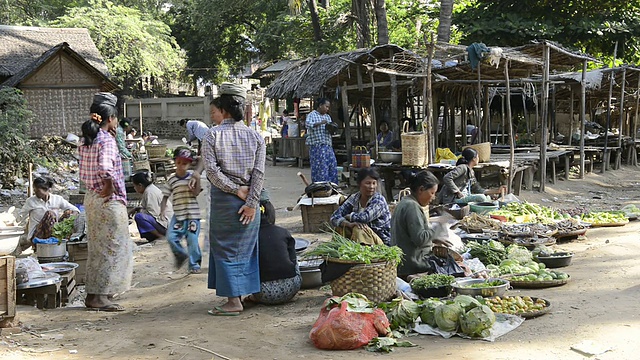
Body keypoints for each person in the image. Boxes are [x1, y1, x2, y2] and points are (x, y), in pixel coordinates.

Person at [193, 82, 265, 316]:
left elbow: (212, 173)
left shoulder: (211, 136)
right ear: (243, 110)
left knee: (224, 249)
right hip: (249, 202)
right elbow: (259, 174)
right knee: (245, 248)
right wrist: (252, 202)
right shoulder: (256, 136)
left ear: (223, 110)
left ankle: (233, 301)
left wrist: (235, 191)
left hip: (226, 201)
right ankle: (242, 294)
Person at [78, 92, 133, 312]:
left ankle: (95, 294)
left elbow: (85, 171)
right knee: (113, 248)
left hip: (91, 198)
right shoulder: (106, 140)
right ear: (110, 118)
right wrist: (109, 187)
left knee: (97, 248)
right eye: (116, 118)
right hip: (107, 201)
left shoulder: (85, 139)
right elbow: (106, 169)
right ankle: (100, 297)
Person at [390, 170, 449, 278]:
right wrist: (437, 227)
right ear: (421, 189)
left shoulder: (405, 202)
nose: (433, 197)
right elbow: (420, 239)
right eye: (432, 193)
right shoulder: (412, 207)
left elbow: (410, 234)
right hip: (412, 264)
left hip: (403, 262)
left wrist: (433, 238)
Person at [245, 195, 301, 305]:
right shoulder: (283, 232)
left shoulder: (249, 238)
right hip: (292, 288)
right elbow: (293, 261)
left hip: (263, 293)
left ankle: (253, 298)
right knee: (292, 257)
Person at [160, 147, 202, 274]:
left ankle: (194, 264)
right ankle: (181, 255)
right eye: (179, 162)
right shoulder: (172, 179)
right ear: (175, 162)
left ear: (189, 164)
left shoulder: (192, 178)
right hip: (178, 215)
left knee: (192, 240)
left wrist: (198, 178)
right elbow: (165, 196)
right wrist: (162, 211)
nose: (181, 166)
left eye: (184, 163)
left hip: (192, 215)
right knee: (171, 237)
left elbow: (196, 193)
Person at [15, 176, 80, 253]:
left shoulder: (57, 199)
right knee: (50, 214)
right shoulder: (31, 201)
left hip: (55, 233)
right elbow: (20, 216)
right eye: (35, 190)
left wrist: (69, 216)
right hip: (38, 236)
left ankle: (61, 244)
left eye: (38, 191)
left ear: (48, 190)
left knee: (69, 215)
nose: (35, 192)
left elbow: (76, 210)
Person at [329, 168, 391, 245]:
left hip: (381, 241)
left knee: (359, 229)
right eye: (368, 183)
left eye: (374, 183)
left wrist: (349, 216)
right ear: (359, 183)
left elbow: (364, 218)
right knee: (341, 226)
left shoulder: (379, 200)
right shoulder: (354, 198)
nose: (371, 187)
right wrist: (348, 224)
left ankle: (366, 254)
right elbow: (334, 217)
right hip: (361, 238)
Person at [438, 148, 506, 204]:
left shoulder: (471, 172)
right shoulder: (462, 167)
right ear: (474, 158)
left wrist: (497, 191)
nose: (478, 158)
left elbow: (478, 189)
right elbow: (447, 178)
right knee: (481, 198)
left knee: (488, 197)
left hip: (465, 197)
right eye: (478, 156)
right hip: (454, 199)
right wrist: (457, 192)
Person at [129, 171, 172, 243]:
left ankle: (161, 236)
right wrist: (136, 209)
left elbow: (153, 213)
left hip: (166, 224)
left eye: (134, 186)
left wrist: (139, 211)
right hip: (167, 223)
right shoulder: (150, 189)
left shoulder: (150, 192)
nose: (134, 188)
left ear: (140, 185)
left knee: (139, 217)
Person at [305, 98, 338, 184]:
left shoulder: (327, 117)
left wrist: (332, 128)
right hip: (317, 146)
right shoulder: (311, 115)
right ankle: (320, 187)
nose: (327, 109)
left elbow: (330, 130)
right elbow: (308, 124)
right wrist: (320, 123)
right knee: (320, 167)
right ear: (320, 105)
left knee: (332, 165)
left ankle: (332, 186)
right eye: (326, 106)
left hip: (327, 146)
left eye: (328, 107)